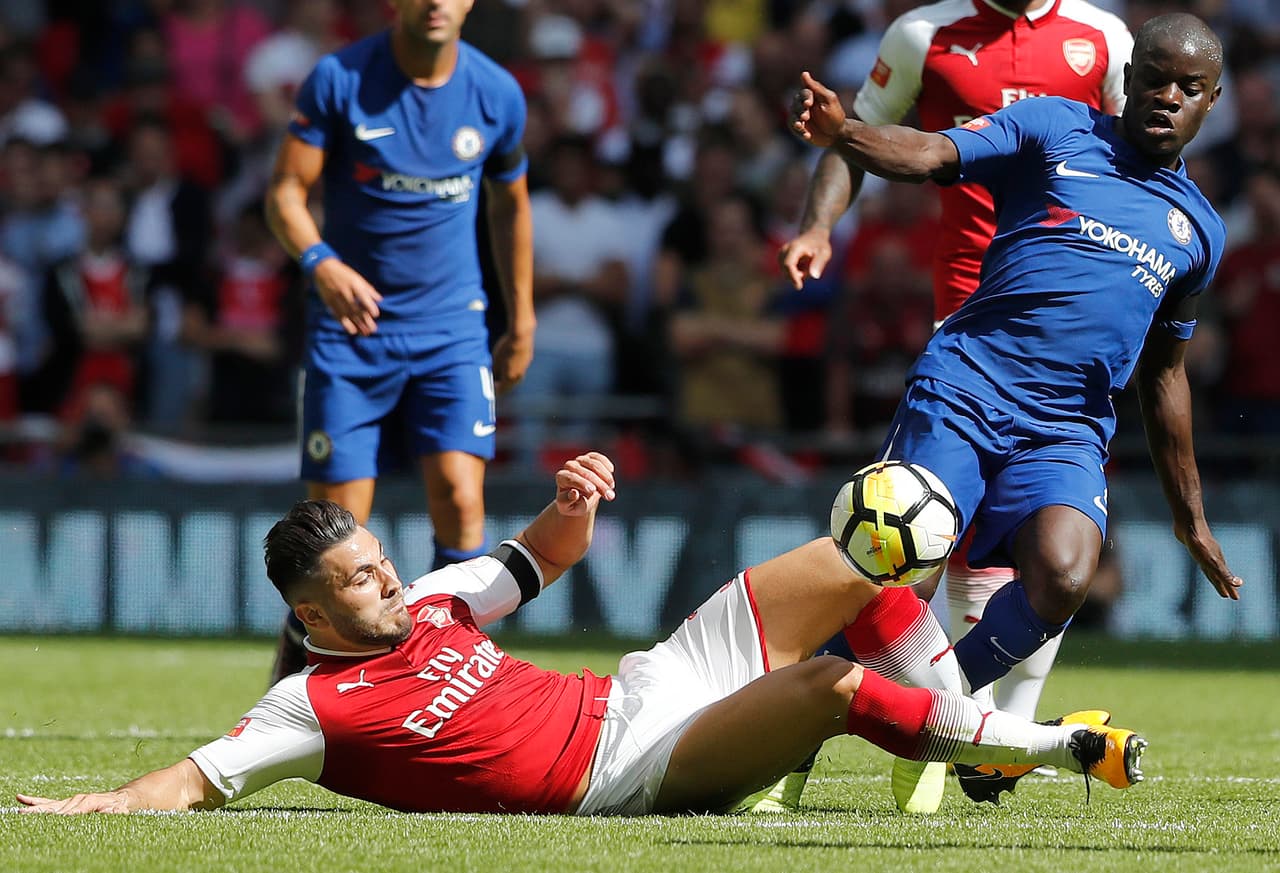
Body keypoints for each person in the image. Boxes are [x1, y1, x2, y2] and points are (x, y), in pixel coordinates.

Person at [15, 451, 1145, 817]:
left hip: (647, 687)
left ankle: (964, 738)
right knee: (831, 693)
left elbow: (536, 561)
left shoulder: (433, 605)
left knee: (863, 564)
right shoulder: (309, 707)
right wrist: (98, 805)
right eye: (359, 585)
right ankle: (1036, 748)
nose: (390, 585)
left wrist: (571, 507)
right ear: (310, 618)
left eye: (381, 561)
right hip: (630, 769)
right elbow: (198, 782)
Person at [786, 12, 1240, 807]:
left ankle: (934, 717)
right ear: (1127, 79)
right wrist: (846, 133)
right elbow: (932, 153)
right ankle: (786, 744)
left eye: (1189, 87)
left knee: (1064, 573)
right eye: (1157, 77)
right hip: (968, 384)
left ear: (1212, 101)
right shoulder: (1055, 125)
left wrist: (1190, 515)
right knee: (896, 562)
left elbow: (1166, 376)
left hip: (1066, 427)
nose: (1168, 96)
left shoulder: (1198, 228)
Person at [263, 0, 535, 682]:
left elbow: (511, 205)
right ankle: (299, 677)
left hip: (452, 329)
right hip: (353, 332)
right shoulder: (339, 78)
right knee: (335, 531)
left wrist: (522, 317)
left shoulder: (496, 93)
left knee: (461, 495)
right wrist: (321, 262)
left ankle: (456, 668)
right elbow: (285, 193)